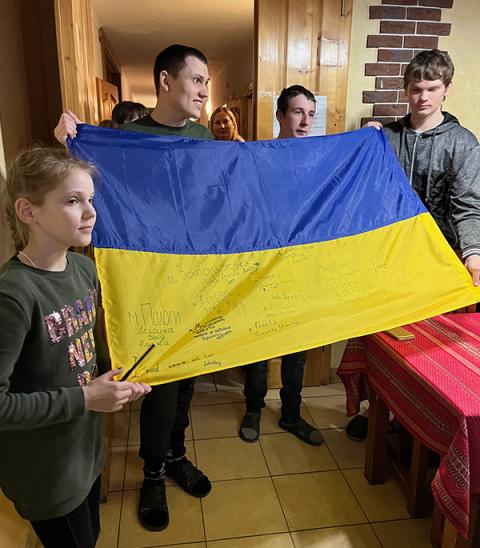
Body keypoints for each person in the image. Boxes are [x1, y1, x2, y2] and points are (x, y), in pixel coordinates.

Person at [54, 44, 213, 533]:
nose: (203, 91)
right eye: (196, 80)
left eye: (207, 82)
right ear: (166, 81)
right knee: (158, 384)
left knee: (188, 377)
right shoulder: (125, 139)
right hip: (147, 282)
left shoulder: (204, 137)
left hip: (193, 279)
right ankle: (152, 474)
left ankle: (176, 455)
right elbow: (86, 185)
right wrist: (66, 141)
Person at [0, 146, 150, 548]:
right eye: (72, 201)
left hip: (84, 453)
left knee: (92, 535)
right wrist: (86, 398)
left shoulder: (84, 268)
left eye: (90, 200)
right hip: (45, 472)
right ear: (28, 212)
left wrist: (117, 381)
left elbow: (89, 352)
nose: (90, 212)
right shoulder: (13, 295)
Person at [346, 49, 480, 442]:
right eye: (416, 88)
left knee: (427, 348)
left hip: (438, 264)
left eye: (432, 88)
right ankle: (379, 412)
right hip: (390, 260)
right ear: (405, 89)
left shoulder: (463, 144)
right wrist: (363, 143)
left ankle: (417, 427)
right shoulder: (386, 137)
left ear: (446, 89)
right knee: (383, 340)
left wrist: (473, 253)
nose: (423, 97)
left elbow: (468, 206)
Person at [239, 85, 323, 446]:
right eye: (297, 112)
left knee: (295, 349)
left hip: (300, 268)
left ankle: (291, 414)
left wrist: (372, 137)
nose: (304, 121)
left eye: (310, 114)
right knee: (257, 346)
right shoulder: (258, 157)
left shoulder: (319, 159)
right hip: (261, 267)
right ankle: (253, 409)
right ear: (280, 116)